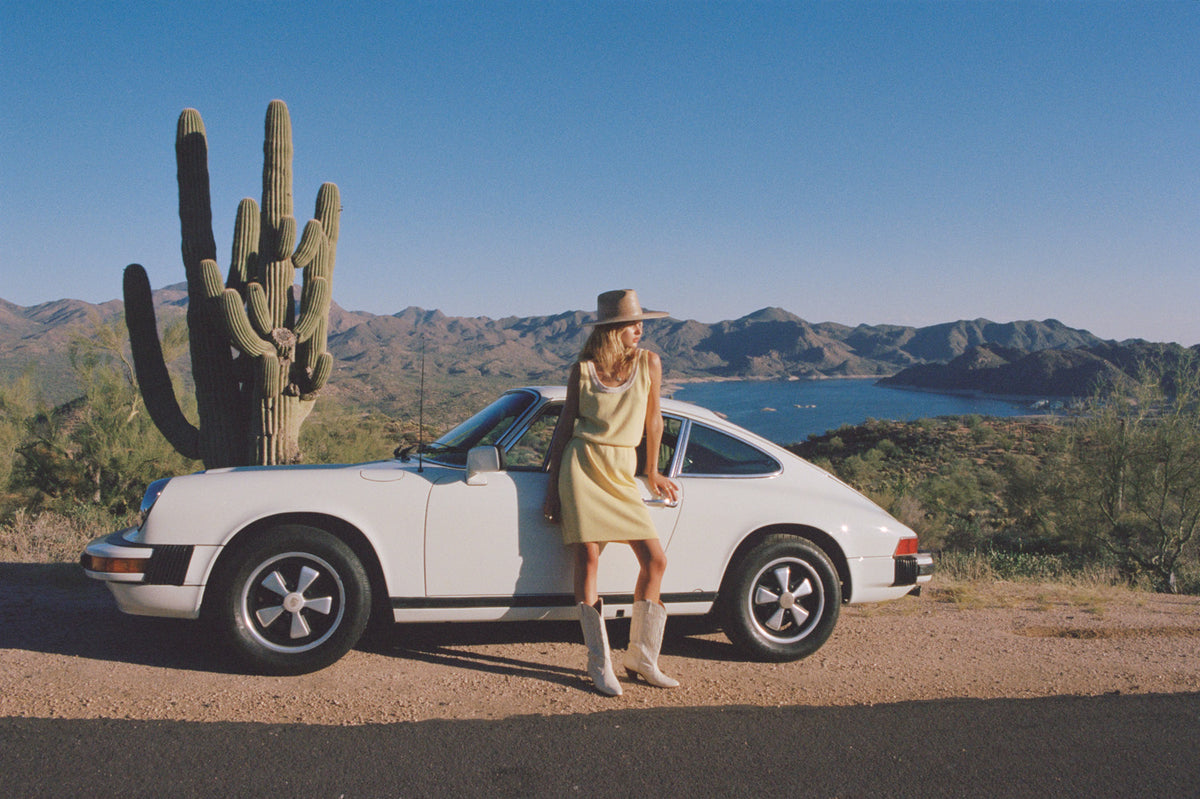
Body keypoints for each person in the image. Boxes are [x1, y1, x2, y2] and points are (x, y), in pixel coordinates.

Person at [543, 289, 681, 696]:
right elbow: (564, 428)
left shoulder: (649, 363)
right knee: (588, 557)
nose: (639, 330)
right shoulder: (582, 371)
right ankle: (598, 661)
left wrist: (652, 470)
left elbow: (653, 421)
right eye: (630, 324)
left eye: (641, 323)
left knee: (655, 560)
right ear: (610, 330)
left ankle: (642, 657)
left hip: (621, 471)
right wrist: (552, 488)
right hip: (582, 466)